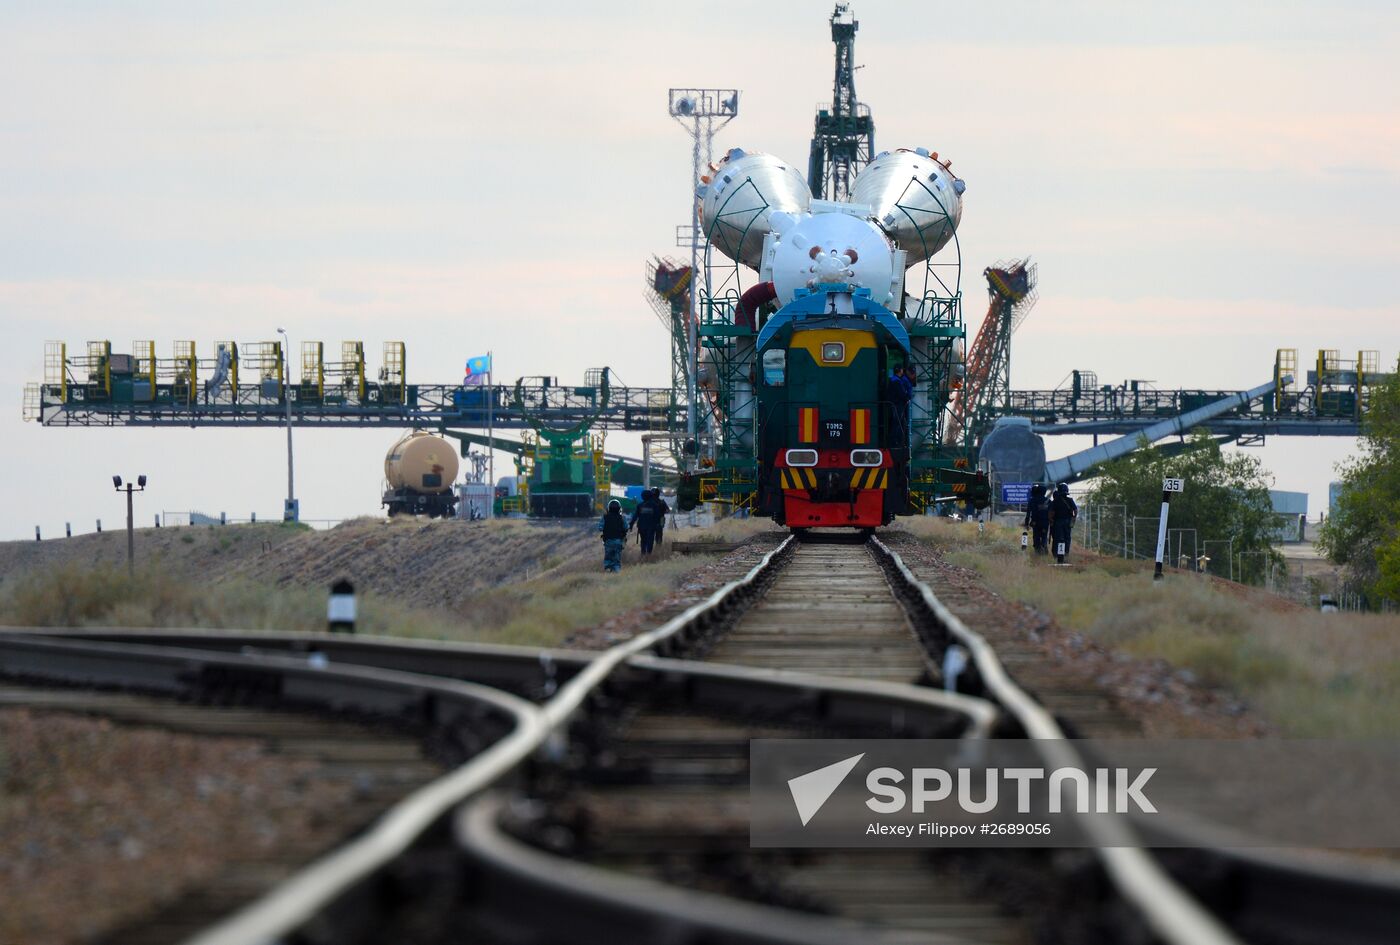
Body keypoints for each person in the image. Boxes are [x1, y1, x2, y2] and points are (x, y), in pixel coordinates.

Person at [1048, 482, 1078, 564]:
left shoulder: (1055, 501)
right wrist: (1073, 518)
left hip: (1058, 522)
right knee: (1067, 538)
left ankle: (1056, 555)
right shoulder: (1070, 500)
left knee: (1057, 539)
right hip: (1067, 522)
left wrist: (1051, 520)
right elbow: (1075, 510)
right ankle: (1065, 553)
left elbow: (1051, 512)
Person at [599, 498, 628, 572]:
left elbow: (600, 528)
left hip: (608, 541)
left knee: (608, 558)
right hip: (619, 541)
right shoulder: (622, 517)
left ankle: (608, 570)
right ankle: (616, 572)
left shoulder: (605, 517)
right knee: (617, 559)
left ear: (609, 508)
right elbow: (626, 527)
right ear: (619, 508)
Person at [630, 489, 660, 556]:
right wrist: (657, 525)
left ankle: (643, 554)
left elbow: (635, 516)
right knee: (650, 541)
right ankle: (648, 554)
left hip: (642, 527)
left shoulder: (640, 505)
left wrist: (631, 525)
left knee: (643, 541)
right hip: (651, 527)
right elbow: (657, 516)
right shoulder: (654, 505)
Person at [1023, 483, 1050, 554]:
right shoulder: (1048, 501)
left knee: (1036, 537)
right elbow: (1051, 512)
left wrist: (1026, 523)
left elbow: (1028, 513)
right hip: (1045, 523)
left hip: (1036, 522)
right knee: (1044, 536)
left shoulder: (1032, 500)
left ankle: (1037, 551)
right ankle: (1044, 547)